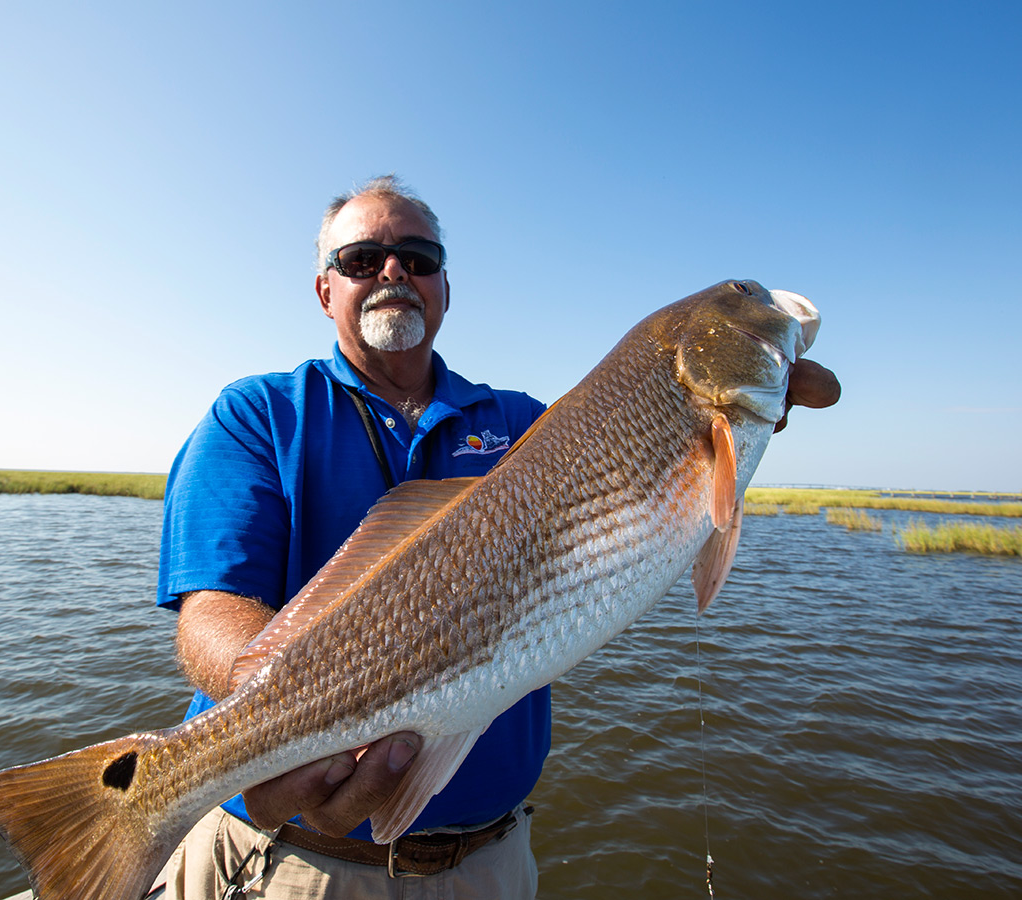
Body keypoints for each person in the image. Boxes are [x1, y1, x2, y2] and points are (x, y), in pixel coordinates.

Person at [154, 175, 841, 899]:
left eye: (418, 258)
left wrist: (737, 427)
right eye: (361, 259)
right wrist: (276, 718)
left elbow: (654, 515)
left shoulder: (525, 424)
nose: (393, 272)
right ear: (326, 290)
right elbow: (210, 612)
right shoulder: (256, 414)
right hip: (284, 861)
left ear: (445, 288)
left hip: (491, 863)